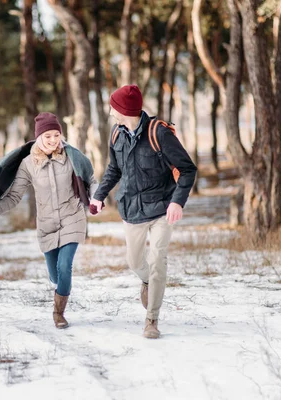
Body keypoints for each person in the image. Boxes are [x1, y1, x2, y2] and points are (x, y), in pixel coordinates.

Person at [89, 85, 197, 339]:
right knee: (135, 261)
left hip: (161, 207)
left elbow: (188, 169)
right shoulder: (116, 134)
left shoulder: (159, 133)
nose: (112, 112)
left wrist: (177, 202)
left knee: (157, 260)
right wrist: (99, 195)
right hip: (131, 208)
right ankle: (148, 282)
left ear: (124, 110)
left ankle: (151, 319)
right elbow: (114, 169)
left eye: (114, 107)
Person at [0, 112, 98, 329]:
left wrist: (96, 199)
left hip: (72, 218)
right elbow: (13, 197)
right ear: (39, 137)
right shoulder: (28, 164)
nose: (53, 140)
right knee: (55, 274)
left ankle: (58, 313)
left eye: (56, 135)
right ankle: (61, 289)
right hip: (47, 226)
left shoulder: (72, 156)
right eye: (48, 136)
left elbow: (91, 180)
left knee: (65, 266)